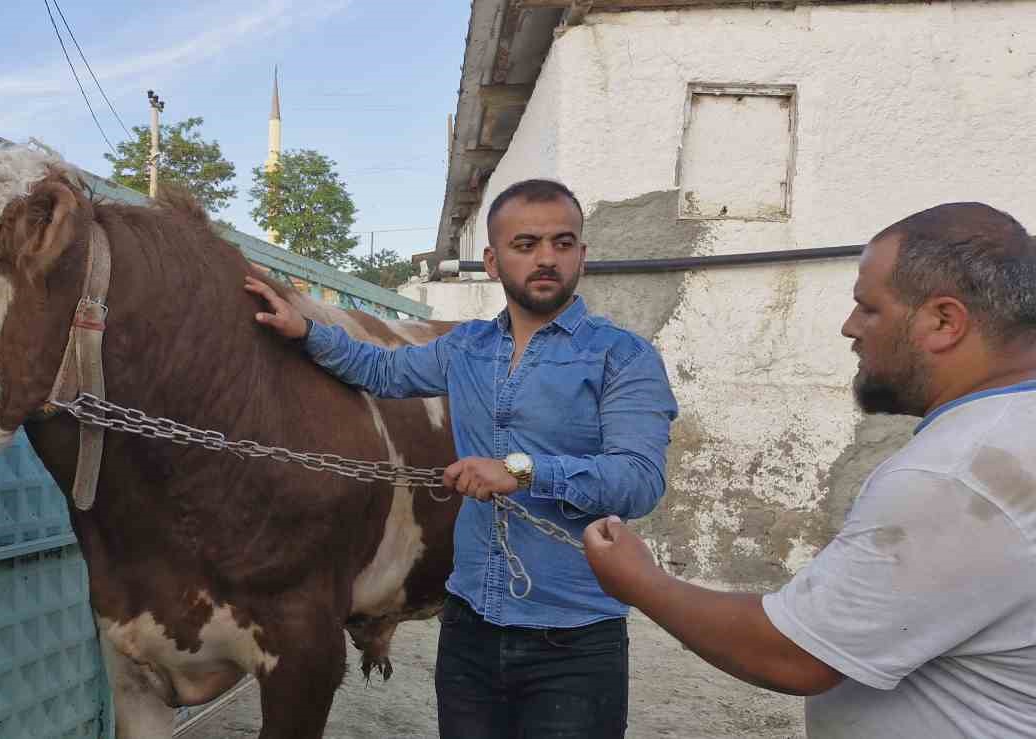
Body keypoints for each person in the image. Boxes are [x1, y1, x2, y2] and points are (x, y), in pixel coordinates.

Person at [582, 202, 1036, 738]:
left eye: (869, 309)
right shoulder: (1009, 433)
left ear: (944, 321)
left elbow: (794, 655)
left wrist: (640, 581)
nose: (850, 328)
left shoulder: (955, 476)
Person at [246, 179, 678, 738]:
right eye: (526, 245)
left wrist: (521, 471)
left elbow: (639, 481)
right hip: (470, 629)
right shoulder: (467, 347)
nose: (547, 258)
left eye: (563, 243)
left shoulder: (623, 356)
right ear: (494, 263)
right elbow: (382, 371)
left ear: (582, 257)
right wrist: (306, 331)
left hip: (573, 641)